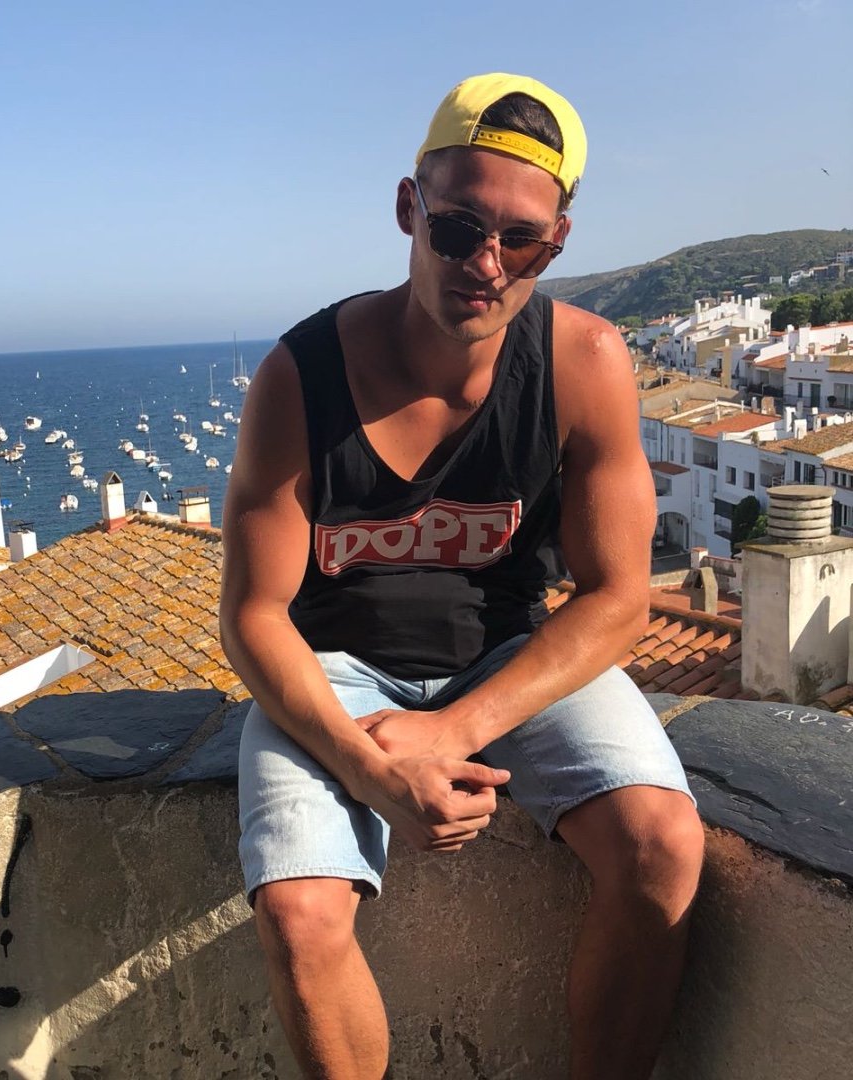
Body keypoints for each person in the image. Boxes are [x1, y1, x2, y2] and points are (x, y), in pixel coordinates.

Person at [220, 72, 704, 1080]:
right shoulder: (301, 376)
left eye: (520, 240)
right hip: (333, 666)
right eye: (458, 228)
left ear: (557, 242)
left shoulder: (583, 362)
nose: (486, 264)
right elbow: (255, 615)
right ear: (410, 208)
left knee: (662, 845)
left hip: (510, 657)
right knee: (301, 914)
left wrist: (451, 731)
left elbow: (618, 599)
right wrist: (369, 770)